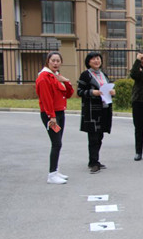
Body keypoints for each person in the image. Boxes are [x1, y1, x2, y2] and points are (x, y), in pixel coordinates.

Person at [35, 51, 74, 184]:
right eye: (53, 60)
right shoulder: (44, 77)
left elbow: (69, 94)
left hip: (59, 113)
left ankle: (55, 171)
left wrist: (66, 81)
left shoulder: (56, 76)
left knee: (58, 143)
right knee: (56, 143)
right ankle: (52, 174)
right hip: (51, 115)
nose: (56, 63)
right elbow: (46, 99)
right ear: (48, 62)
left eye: (58, 61)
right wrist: (51, 117)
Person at [78, 51, 115, 174]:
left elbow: (107, 89)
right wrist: (92, 93)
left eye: (98, 58)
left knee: (100, 136)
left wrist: (112, 93)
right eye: (93, 59)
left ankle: (96, 160)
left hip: (104, 109)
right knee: (93, 137)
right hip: (92, 111)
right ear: (88, 62)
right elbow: (79, 91)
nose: (96, 61)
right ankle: (93, 162)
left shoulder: (104, 75)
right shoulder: (85, 75)